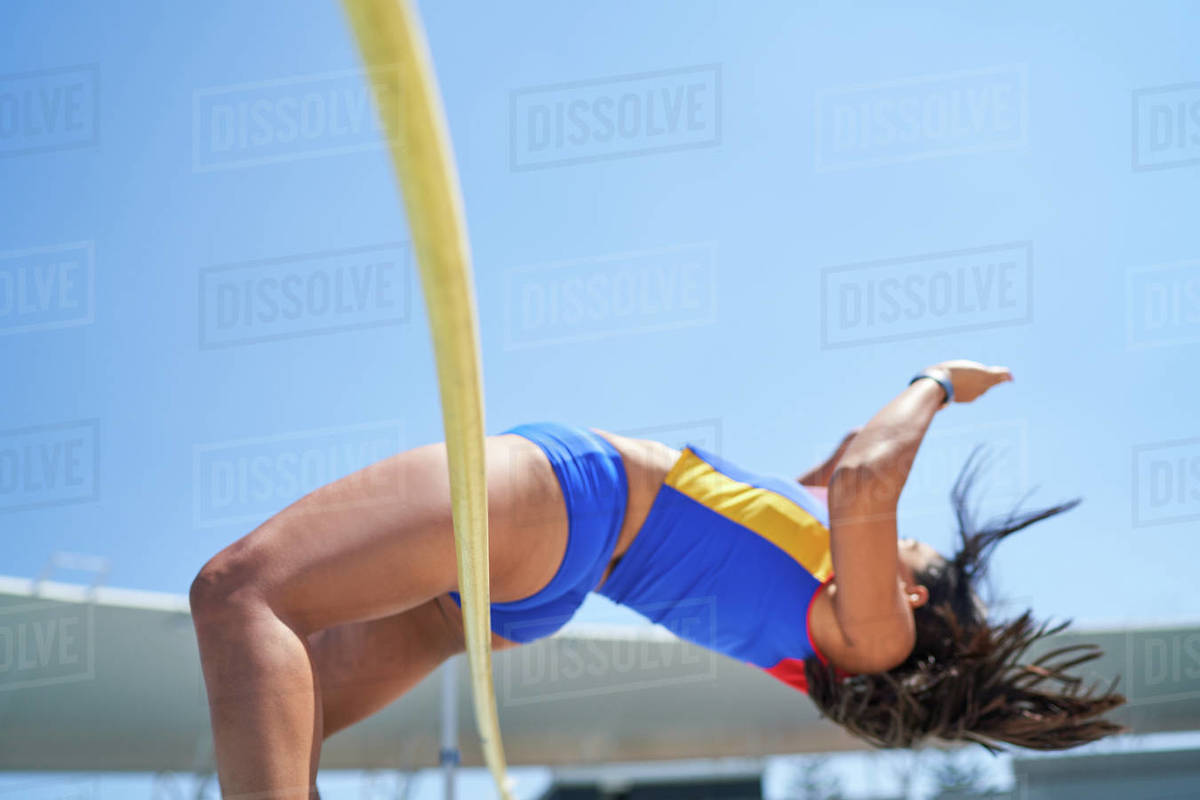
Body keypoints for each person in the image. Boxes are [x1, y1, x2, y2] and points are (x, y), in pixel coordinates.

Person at [189, 359, 1124, 797]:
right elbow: (845, 469)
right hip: (549, 574)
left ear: (912, 597)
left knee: (242, 594)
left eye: (913, 549)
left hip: (572, 507)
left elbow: (865, 482)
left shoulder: (874, 633)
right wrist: (857, 452)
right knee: (288, 716)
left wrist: (937, 382)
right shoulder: (821, 609)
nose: (900, 540)